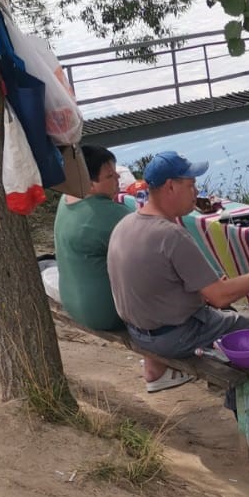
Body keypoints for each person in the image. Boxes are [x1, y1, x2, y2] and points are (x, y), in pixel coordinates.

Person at [107, 150, 249, 422]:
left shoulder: (126, 222)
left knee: (227, 312)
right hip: (172, 337)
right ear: (170, 187)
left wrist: (205, 291)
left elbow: (163, 281)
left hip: (138, 330)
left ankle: (226, 387)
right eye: (190, 184)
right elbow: (219, 297)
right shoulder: (171, 235)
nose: (196, 191)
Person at [54, 144, 192, 393]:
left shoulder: (67, 200)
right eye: (110, 176)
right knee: (167, 278)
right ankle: (157, 370)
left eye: (116, 173)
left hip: (72, 299)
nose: (118, 179)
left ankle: (157, 362)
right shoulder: (107, 215)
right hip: (102, 311)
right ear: (90, 182)